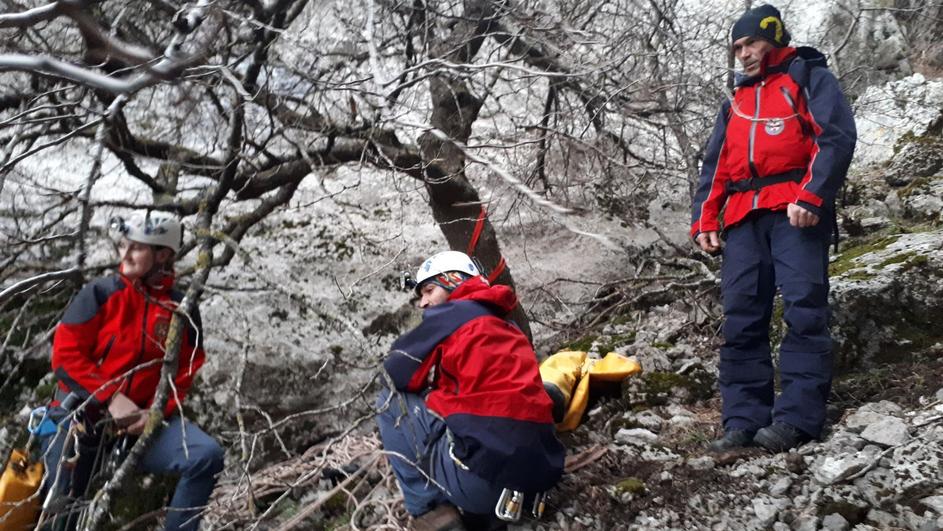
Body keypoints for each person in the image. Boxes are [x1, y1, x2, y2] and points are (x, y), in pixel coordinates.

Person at [690, 4, 857, 453]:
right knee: (741, 316)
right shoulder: (737, 101)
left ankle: (798, 419)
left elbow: (835, 136)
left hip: (794, 211)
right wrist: (705, 218)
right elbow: (715, 165)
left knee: (804, 307)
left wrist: (812, 195)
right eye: (736, 47)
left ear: (774, 36)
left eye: (750, 43)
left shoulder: (808, 77)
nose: (742, 54)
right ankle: (743, 420)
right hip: (744, 217)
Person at [41, 212, 223, 531]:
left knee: (205, 455)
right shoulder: (100, 294)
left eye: (137, 247)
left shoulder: (182, 309)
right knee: (65, 505)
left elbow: (184, 372)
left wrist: (152, 414)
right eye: (124, 245)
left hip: (139, 422)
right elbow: (66, 356)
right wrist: (111, 398)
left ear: (163, 254)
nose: (124, 254)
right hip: (78, 417)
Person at [376, 251, 564, 530]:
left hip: (482, 488)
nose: (423, 303)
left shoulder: (452, 315)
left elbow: (397, 373)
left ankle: (430, 512)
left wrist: (428, 393)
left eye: (428, 290)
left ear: (454, 282)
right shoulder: (505, 323)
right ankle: (487, 517)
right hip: (537, 484)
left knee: (389, 398)